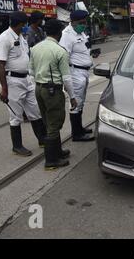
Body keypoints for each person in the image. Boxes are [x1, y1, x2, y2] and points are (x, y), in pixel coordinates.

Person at [30, 19, 77, 170]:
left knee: (48, 121)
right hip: (53, 91)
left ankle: (58, 152)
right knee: (54, 124)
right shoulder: (60, 51)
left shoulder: (35, 48)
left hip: (39, 89)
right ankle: (51, 161)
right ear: (59, 33)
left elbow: (31, 71)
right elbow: (67, 78)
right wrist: (73, 97)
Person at [0, 11, 46, 156]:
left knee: (35, 111)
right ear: (19, 24)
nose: (26, 27)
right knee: (16, 116)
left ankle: (42, 139)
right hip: (13, 81)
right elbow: (0, 65)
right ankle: (17, 146)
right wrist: (4, 89)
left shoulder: (20, 36)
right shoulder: (5, 38)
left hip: (26, 79)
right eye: (24, 24)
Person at [59, 10, 95, 142]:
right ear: (73, 22)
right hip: (75, 73)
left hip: (84, 72)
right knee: (75, 103)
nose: (84, 25)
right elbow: (64, 57)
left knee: (81, 102)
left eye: (85, 22)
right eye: (81, 23)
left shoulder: (80, 32)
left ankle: (80, 128)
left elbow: (83, 50)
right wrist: (65, 78)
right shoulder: (67, 35)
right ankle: (76, 134)